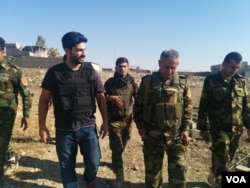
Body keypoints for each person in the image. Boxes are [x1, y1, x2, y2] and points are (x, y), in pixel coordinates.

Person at [38, 31, 108, 188]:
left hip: (88, 127)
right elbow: (43, 100)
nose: (84, 53)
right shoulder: (54, 73)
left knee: (94, 163)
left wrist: (105, 121)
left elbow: (101, 97)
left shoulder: (91, 71)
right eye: (79, 50)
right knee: (66, 167)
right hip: (64, 130)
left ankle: (89, 179)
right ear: (67, 50)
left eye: (85, 49)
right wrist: (42, 127)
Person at [133, 49, 193, 188]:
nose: (170, 71)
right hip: (152, 137)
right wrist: (141, 127)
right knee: (153, 177)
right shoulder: (147, 82)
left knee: (179, 176)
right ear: (159, 63)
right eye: (166, 67)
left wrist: (185, 129)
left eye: (173, 67)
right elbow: (138, 107)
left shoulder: (182, 83)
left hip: (176, 137)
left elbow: (188, 108)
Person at [197, 52, 250, 188]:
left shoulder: (241, 81)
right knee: (224, 162)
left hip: (236, 130)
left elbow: (246, 106)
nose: (235, 70)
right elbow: (204, 105)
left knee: (228, 159)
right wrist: (202, 127)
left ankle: (215, 174)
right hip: (219, 129)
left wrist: (249, 126)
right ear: (224, 64)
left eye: (237, 67)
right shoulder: (211, 80)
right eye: (232, 67)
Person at [0, 37, 32, 178]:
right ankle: (12, 156)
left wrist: (26, 114)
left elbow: (26, 94)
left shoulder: (15, 71)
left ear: (3, 52)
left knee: (2, 141)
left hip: (7, 113)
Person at [104, 57, 138, 187]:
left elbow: (139, 100)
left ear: (128, 67)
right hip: (114, 121)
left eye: (124, 66)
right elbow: (101, 98)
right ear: (116, 68)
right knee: (117, 148)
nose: (122, 69)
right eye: (119, 66)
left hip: (128, 121)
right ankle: (119, 176)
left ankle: (115, 161)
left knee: (122, 145)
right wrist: (110, 98)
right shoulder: (110, 83)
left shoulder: (132, 83)